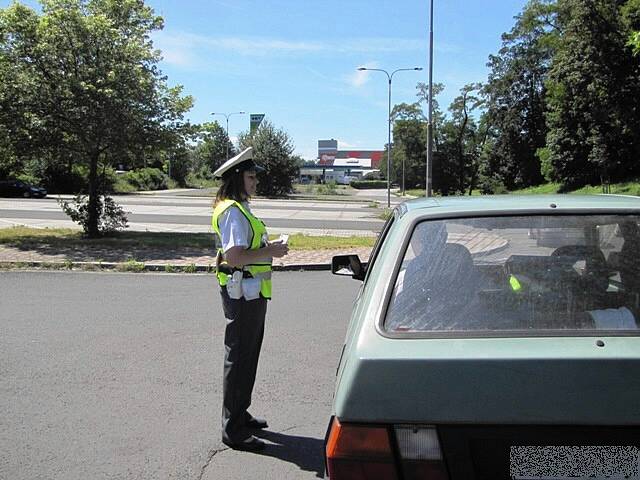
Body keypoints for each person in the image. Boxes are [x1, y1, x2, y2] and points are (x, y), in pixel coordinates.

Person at [211, 147, 288, 452]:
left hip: (250, 292)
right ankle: (233, 429)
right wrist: (271, 251)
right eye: (251, 177)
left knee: (248, 356)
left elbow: (243, 247)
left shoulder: (240, 207)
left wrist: (267, 245)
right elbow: (235, 255)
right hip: (242, 293)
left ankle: (240, 414)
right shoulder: (231, 210)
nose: (256, 182)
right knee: (239, 357)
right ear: (237, 178)